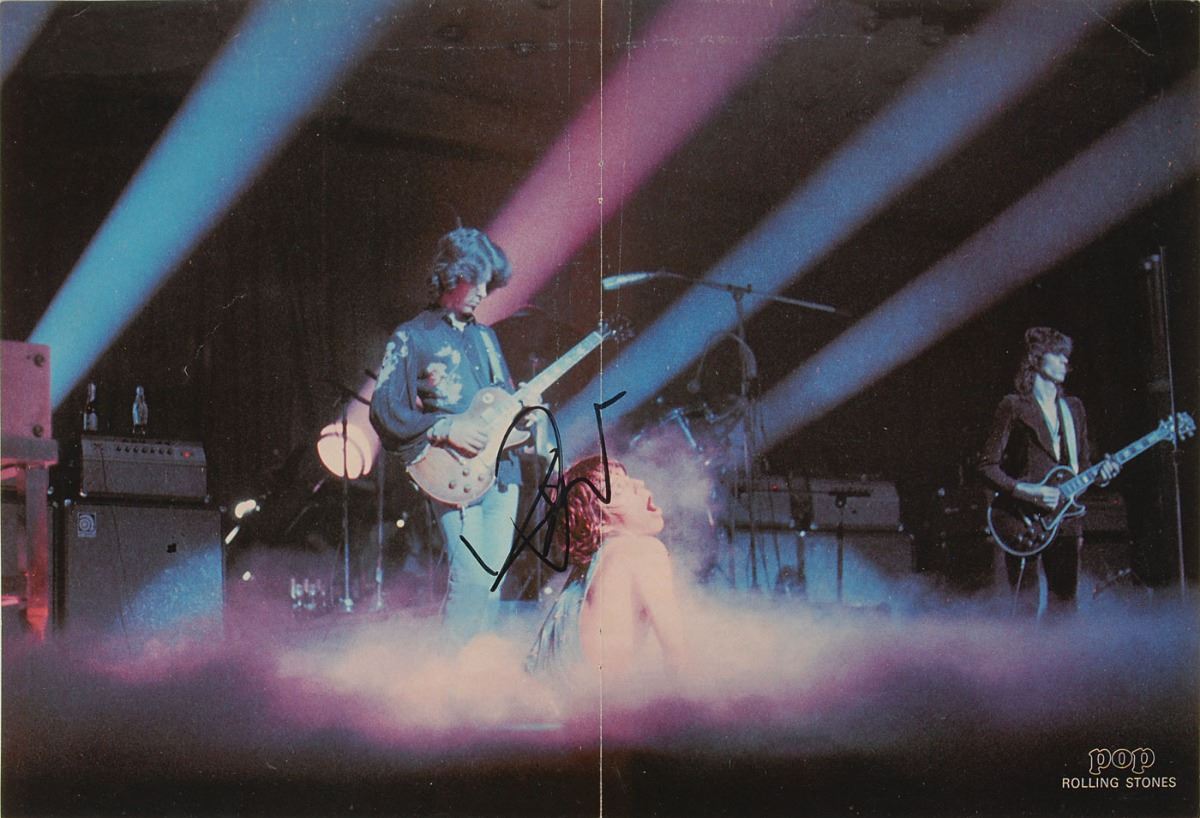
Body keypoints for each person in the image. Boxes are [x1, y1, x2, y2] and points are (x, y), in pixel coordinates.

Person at [370, 226, 523, 641]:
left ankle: (479, 671)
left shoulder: (487, 337)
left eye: (488, 284)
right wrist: (444, 426)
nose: (483, 293)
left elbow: (501, 400)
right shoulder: (413, 336)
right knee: (471, 578)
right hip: (453, 473)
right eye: (476, 282)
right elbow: (384, 408)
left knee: (492, 586)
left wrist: (524, 414)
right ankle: (449, 673)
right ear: (452, 275)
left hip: (502, 470)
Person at [978, 327, 1119, 614]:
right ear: (1036, 358)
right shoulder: (1014, 406)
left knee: (1065, 607)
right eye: (1057, 354)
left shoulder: (1074, 409)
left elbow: (1082, 468)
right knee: (1025, 607)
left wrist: (1101, 476)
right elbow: (986, 466)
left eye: (1066, 355)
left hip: (1065, 521)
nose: (1066, 361)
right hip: (1021, 520)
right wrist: (1027, 491)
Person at [527, 456, 688, 681]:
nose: (640, 483)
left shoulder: (586, 570)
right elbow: (677, 655)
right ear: (601, 522)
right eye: (620, 488)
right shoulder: (644, 551)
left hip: (548, 694)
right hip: (592, 698)